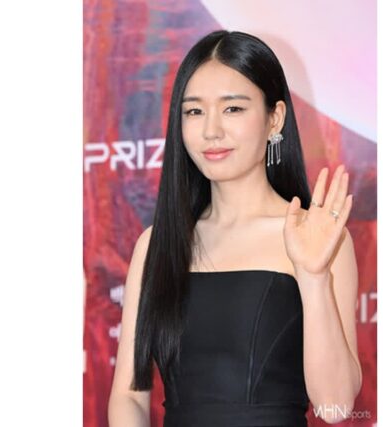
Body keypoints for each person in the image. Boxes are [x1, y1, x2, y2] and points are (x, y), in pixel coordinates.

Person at [108, 30, 362, 426]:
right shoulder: (157, 245)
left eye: (233, 109)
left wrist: (313, 278)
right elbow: (129, 395)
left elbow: (336, 406)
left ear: (275, 118)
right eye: (194, 112)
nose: (211, 131)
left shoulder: (317, 238)